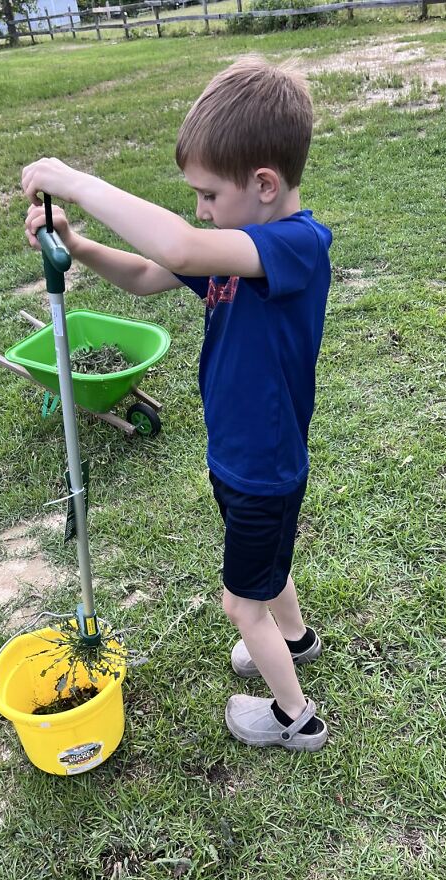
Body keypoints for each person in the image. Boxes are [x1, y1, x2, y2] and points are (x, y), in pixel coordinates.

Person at [21, 55, 332, 752]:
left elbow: (181, 245)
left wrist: (71, 179)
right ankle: (295, 637)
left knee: (237, 600)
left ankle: (295, 717)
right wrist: (77, 242)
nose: (199, 208)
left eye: (208, 193)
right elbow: (146, 271)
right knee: (268, 569)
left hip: (262, 466)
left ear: (264, 184)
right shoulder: (234, 246)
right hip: (242, 457)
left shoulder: (296, 246)